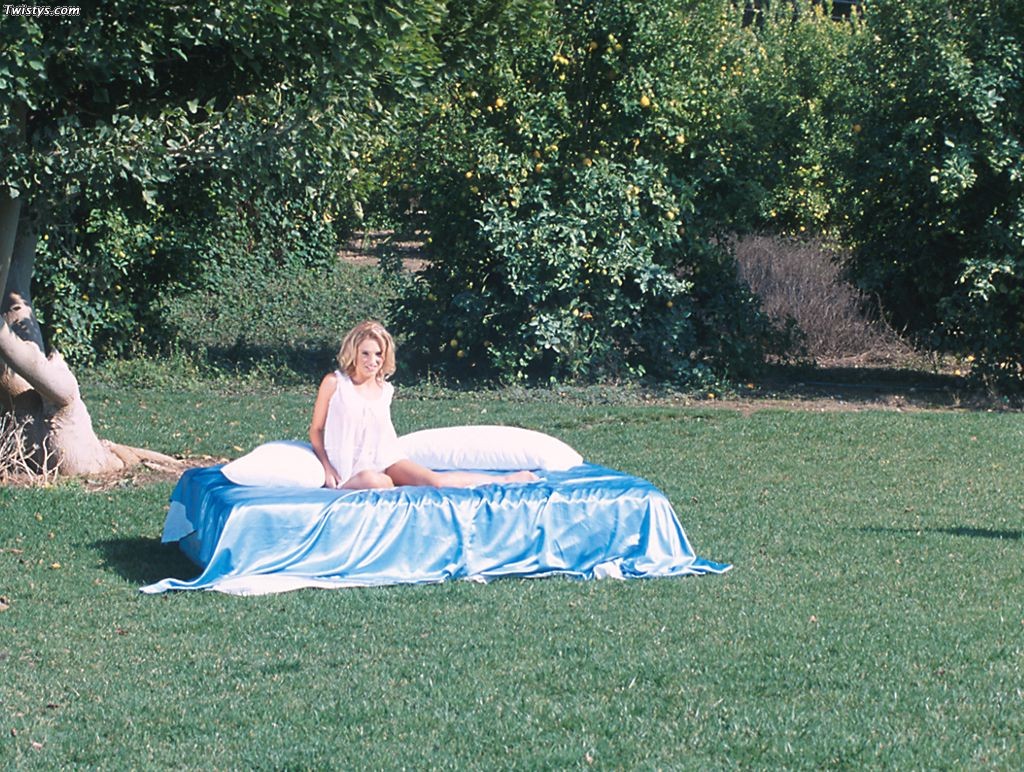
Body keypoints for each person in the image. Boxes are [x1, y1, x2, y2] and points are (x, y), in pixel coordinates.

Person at [309, 320, 538, 490]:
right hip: (349, 468)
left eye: (378, 354)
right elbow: (316, 430)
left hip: (385, 459)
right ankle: (388, 482)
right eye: (365, 354)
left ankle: (504, 480)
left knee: (436, 481)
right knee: (373, 481)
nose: (372, 361)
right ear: (354, 353)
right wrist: (326, 467)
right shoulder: (335, 383)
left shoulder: (384, 389)